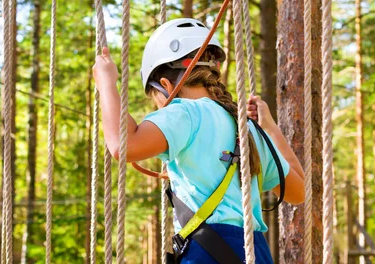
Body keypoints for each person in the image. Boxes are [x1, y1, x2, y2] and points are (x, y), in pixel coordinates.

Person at [93, 18, 305, 263]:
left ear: (165, 85)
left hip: (207, 252)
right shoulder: (247, 128)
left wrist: (107, 84)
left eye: (156, 100)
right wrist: (269, 127)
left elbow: (123, 145)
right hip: (255, 253)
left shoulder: (183, 113)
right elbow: (298, 192)